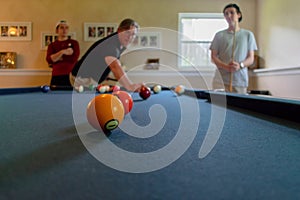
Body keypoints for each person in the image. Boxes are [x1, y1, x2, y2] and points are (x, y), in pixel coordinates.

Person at [70, 18, 143, 92]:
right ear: (119, 30)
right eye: (127, 32)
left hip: (87, 79)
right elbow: (115, 66)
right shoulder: (111, 44)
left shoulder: (120, 43)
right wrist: (130, 86)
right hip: (81, 79)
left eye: (133, 34)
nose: (130, 37)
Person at [210, 3, 258, 94]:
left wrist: (240, 66)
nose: (229, 15)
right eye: (226, 14)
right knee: (219, 107)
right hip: (220, 81)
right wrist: (226, 67)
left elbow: (251, 58)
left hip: (240, 81)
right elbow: (213, 57)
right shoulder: (219, 35)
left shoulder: (248, 35)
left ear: (239, 15)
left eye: (232, 12)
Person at [46, 20, 80, 88]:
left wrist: (57, 58)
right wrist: (62, 52)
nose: (64, 30)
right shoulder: (52, 45)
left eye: (66, 28)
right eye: (62, 28)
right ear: (57, 30)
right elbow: (49, 60)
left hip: (71, 76)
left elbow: (74, 58)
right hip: (56, 75)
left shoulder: (74, 43)